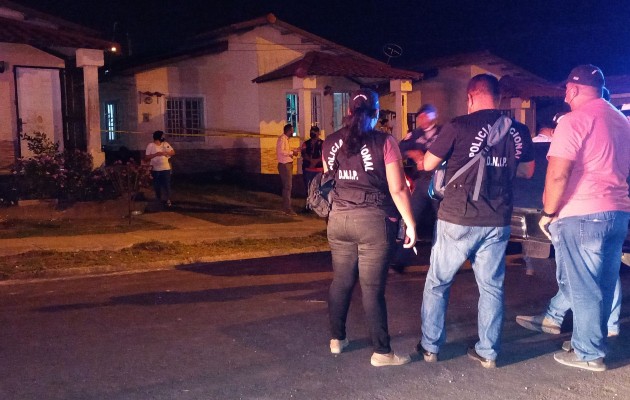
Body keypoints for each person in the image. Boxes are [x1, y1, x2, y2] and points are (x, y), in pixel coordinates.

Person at [417, 74, 535, 369]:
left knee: (438, 282)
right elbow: (528, 171)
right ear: (497, 97)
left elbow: (429, 164)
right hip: (497, 218)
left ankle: (430, 346)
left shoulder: (459, 125)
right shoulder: (518, 130)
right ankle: (488, 352)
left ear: (471, 97)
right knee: (491, 287)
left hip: (458, 215)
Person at [534, 65, 630, 372]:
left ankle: (588, 353)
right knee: (602, 284)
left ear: (574, 89)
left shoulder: (573, 120)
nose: (564, 94)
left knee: (583, 286)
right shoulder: (621, 120)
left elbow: (558, 172)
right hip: (618, 211)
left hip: (583, 212)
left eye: (566, 89)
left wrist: (548, 212)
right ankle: (590, 342)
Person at [323, 89, 417, 367]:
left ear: (349, 112)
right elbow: (398, 188)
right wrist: (410, 222)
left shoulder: (330, 142)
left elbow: (330, 178)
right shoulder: (384, 142)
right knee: (372, 289)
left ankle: (337, 339)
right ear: (376, 114)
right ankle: (382, 352)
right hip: (372, 222)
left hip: (338, 219)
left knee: (341, 281)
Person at [145, 130, 175, 207]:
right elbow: (147, 157)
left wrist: (167, 153)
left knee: (167, 185)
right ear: (158, 137)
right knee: (157, 185)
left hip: (165, 168)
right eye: (162, 136)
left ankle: (168, 199)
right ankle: (158, 199)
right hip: (155, 169)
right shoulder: (151, 145)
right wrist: (156, 154)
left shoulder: (165, 144)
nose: (163, 137)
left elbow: (172, 152)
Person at [276, 124, 299, 216]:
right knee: (288, 187)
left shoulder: (285, 139)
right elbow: (281, 151)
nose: (293, 132)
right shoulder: (282, 139)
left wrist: (293, 151)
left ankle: (286, 207)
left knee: (287, 187)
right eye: (292, 130)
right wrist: (292, 152)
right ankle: (287, 208)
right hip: (285, 165)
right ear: (288, 130)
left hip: (286, 164)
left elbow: (284, 151)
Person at [300, 126, 324, 196]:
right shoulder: (306, 143)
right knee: (308, 189)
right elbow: (303, 154)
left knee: (319, 189)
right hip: (308, 169)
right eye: (311, 131)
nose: (312, 133)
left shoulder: (323, 143)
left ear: (318, 133)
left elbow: (324, 154)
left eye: (314, 132)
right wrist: (311, 161)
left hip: (319, 170)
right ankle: (309, 204)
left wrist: (315, 161)